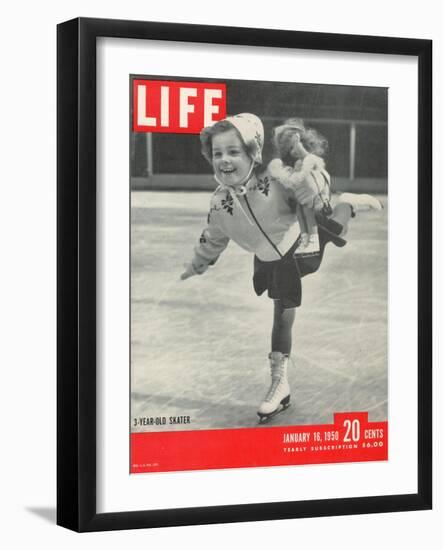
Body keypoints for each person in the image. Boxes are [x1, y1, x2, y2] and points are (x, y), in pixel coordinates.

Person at [180, 113, 382, 423]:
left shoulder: (275, 180)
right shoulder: (219, 203)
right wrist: (198, 262)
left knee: (338, 229)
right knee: (282, 315)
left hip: (301, 243)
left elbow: (316, 177)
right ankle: (280, 381)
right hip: (269, 260)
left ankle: (349, 203)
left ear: (253, 153)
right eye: (217, 153)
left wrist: (313, 188)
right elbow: (213, 237)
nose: (224, 159)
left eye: (234, 151)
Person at [268, 118, 332, 256]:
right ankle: (305, 239)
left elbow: (314, 164)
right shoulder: (294, 164)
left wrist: (299, 146)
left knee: (307, 211)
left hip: (318, 200)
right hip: (305, 199)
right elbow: (291, 181)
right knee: (300, 210)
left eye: (296, 145)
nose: (294, 150)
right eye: (290, 148)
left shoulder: (311, 159)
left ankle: (314, 241)